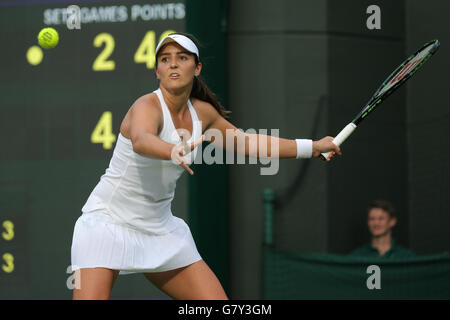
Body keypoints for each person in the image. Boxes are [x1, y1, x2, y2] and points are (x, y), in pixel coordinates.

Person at [70, 32, 342, 300]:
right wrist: (171, 150)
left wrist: (312, 147)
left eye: (182, 57)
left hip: (160, 229)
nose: (173, 64)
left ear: (197, 67)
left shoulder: (203, 113)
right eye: (165, 59)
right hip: (106, 223)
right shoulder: (146, 105)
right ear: (157, 71)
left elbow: (247, 144)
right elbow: (142, 139)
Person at [349, 200, 415, 258]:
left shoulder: (405, 257)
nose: (376, 223)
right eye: (372, 219)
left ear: (392, 221)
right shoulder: (357, 256)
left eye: (381, 219)